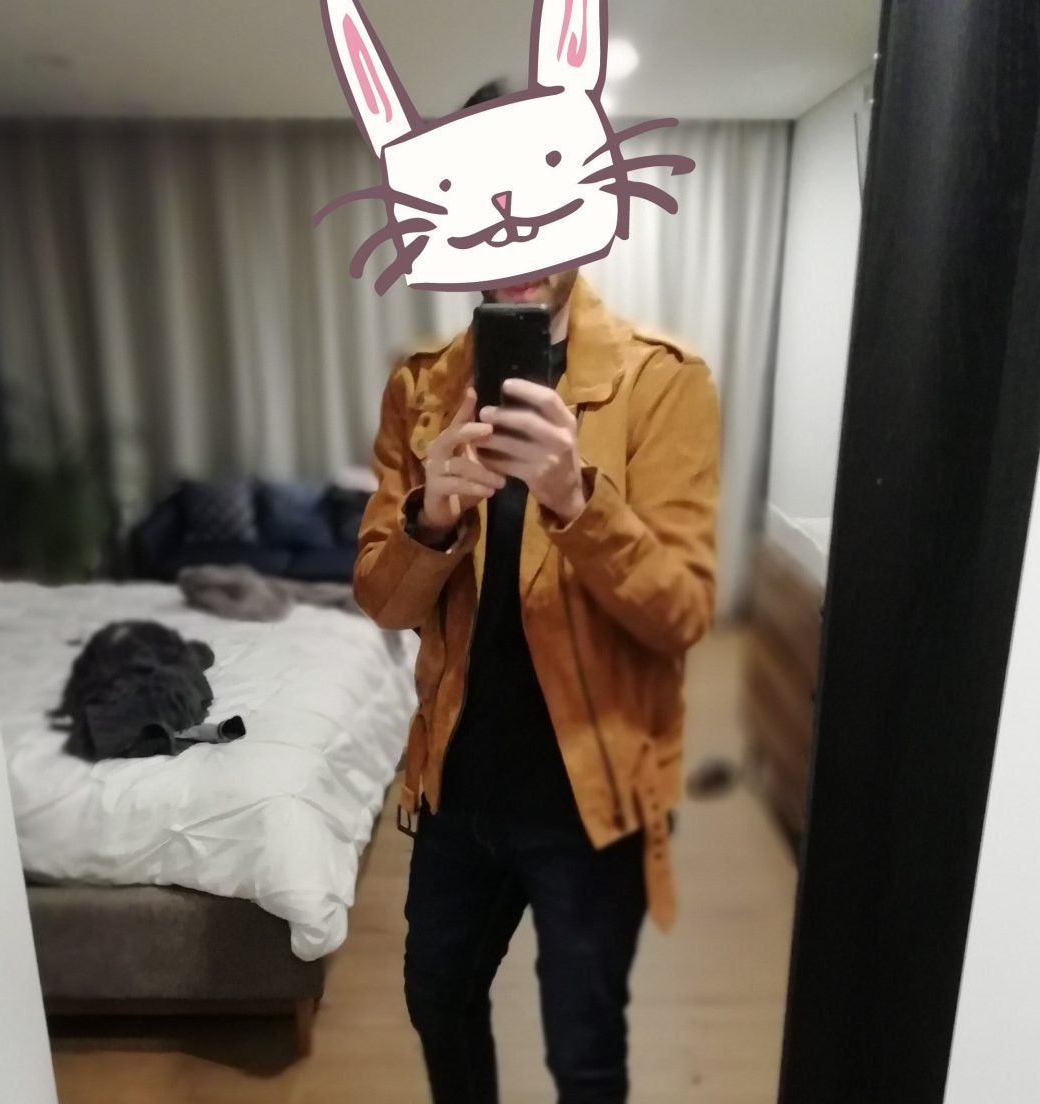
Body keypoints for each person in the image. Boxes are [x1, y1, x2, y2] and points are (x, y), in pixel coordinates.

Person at [353, 80, 720, 1104]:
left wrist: (575, 498)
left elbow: (680, 612)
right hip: (457, 786)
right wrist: (432, 518)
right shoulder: (422, 387)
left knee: (584, 1051)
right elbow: (383, 603)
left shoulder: (661, 382)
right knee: (437, 999)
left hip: (589, 797)